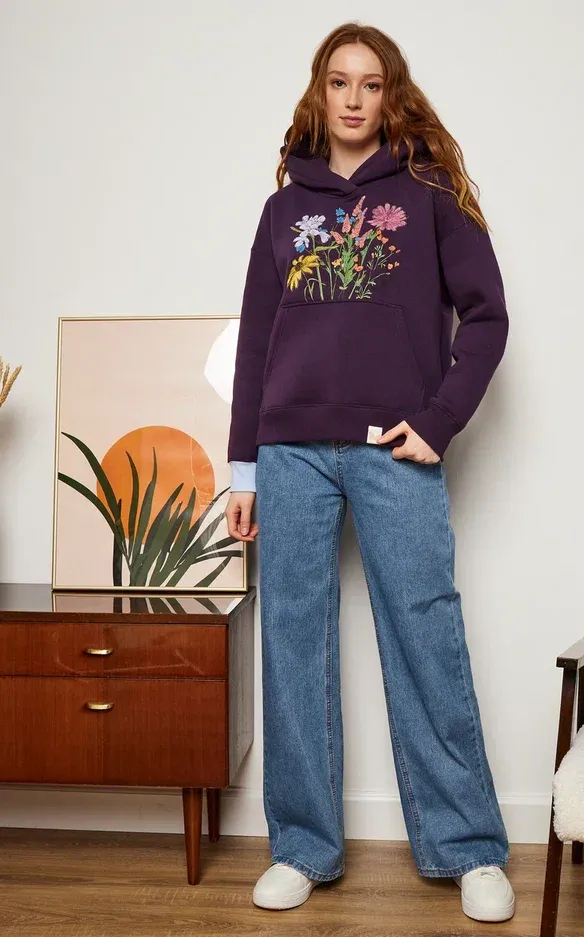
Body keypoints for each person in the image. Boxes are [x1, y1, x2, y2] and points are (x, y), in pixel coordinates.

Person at [225, 21, 515, 924]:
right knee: (292, 640)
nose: (353, 99)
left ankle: (467, 846)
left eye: (371, 83)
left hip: (393, 447)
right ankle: (302, 846)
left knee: (424, 628)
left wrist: (437, 420)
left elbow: (488, 316)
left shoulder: (427, 195)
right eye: (338, 82)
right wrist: (243, 468)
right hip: (290, 450)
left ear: (391, 96)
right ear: (319, 92)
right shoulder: (282, 210)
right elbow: (255, 345)